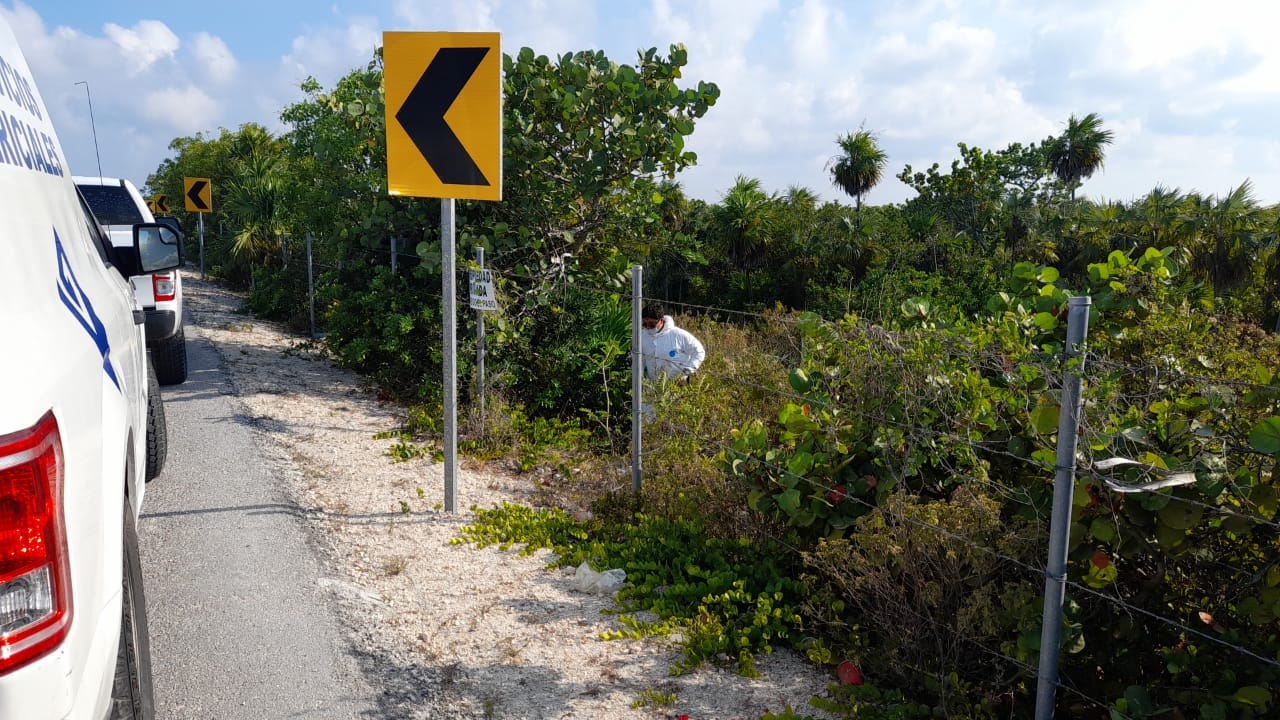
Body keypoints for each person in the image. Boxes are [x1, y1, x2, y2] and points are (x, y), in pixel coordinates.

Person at [641, 303, 705, 382]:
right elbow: (639, 360)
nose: (647, 327)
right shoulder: (642, 336)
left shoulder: (678, 335)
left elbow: (699, 352)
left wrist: (687, 371)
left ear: (661, 320)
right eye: (644, 324)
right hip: (653, 386)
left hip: (677, 385)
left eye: (651, 324)